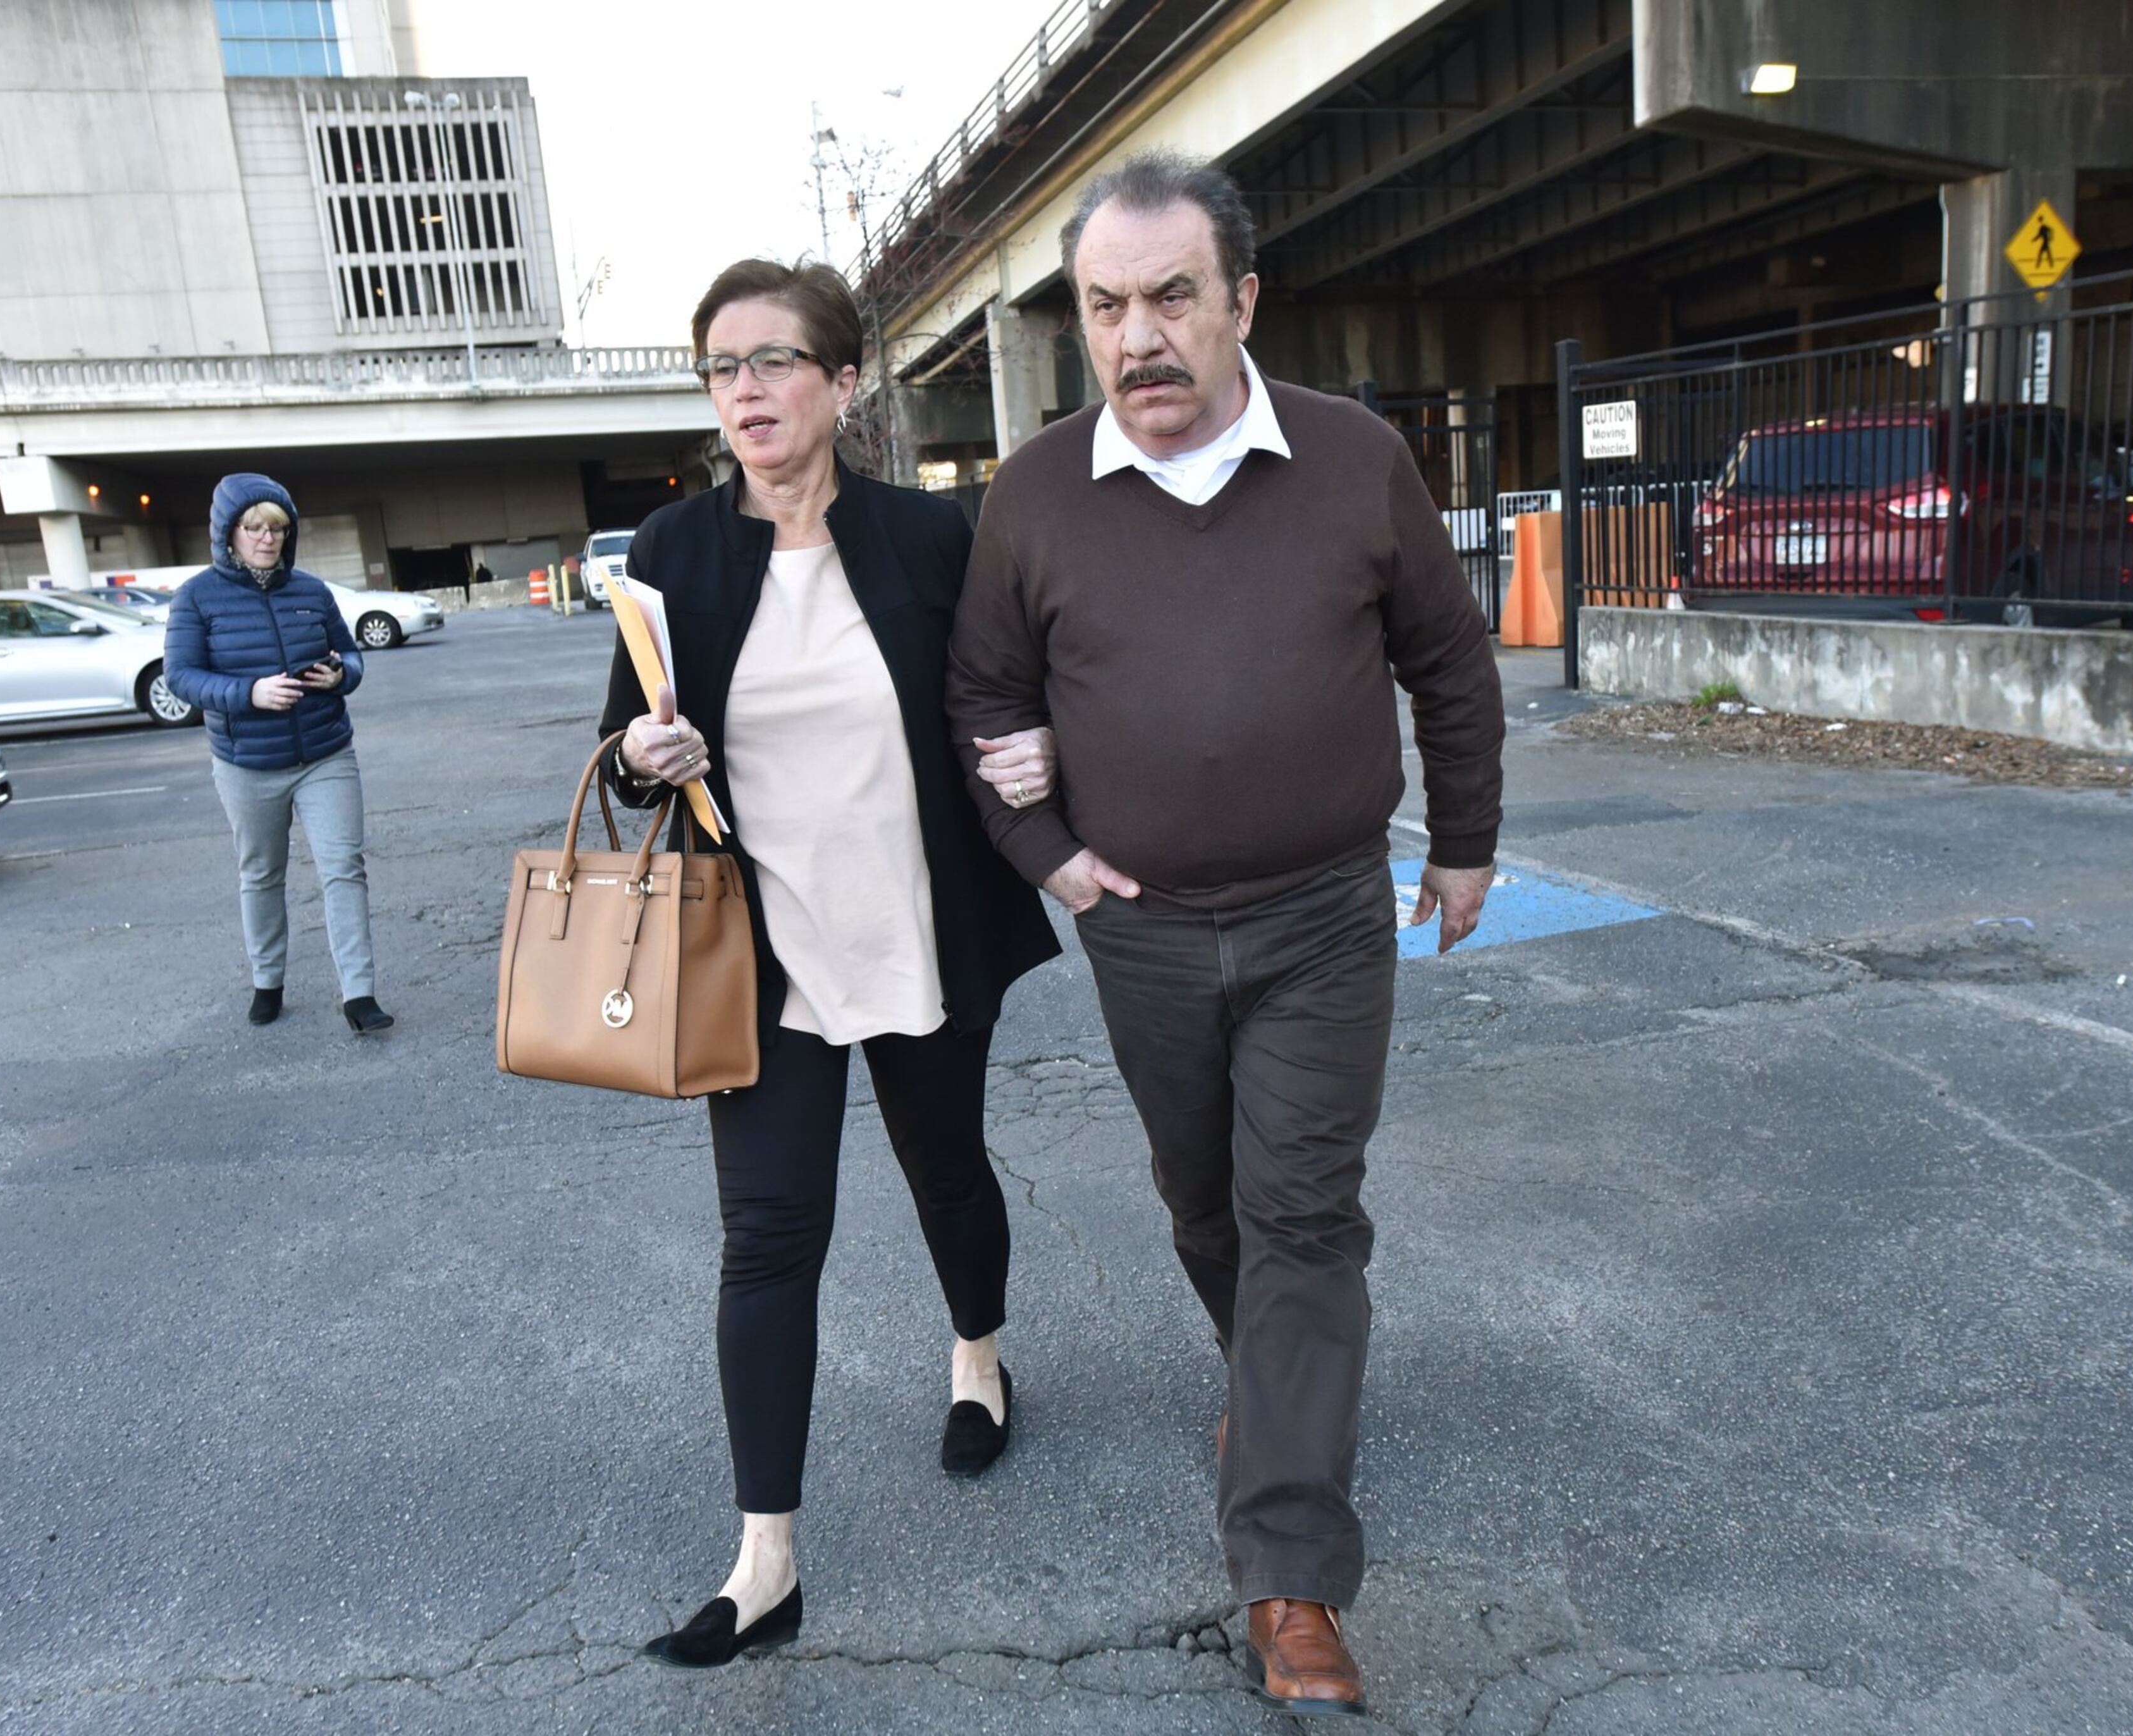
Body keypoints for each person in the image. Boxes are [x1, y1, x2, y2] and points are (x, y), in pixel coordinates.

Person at [946, 152, 1507, 1716]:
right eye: (1106, 306)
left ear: (1241, 300)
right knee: (1208, 1205)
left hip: (1326, 913)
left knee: (1303, 1212)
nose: (1139, 338)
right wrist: (1045, 853)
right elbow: (984, 695)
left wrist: (1463, 840)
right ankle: (1272, 1388)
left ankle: (1287, 1575)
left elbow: (1447, 662)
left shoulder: (1351, 459)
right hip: (1139, 932)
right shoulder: (1035, 492)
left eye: (1172, 297)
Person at [598, 258, 1060, 1669]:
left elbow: (1006, 691)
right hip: (765, 948)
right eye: (723, 366)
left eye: (775, 359)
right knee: (770, 1234)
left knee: (948, 1168)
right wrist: (640, 754)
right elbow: (624, 742)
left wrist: (1049, 756)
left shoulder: (931, 535)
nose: (747, 388)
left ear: (843, 381)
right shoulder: (673, 552)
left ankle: (978, 1353)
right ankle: (765, 1556)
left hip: (918, 921)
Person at [164, 475, 393, 1035]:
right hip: (247, 762)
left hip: (325, 753)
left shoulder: (312, 592)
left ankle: (359, 996)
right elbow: (181, 677)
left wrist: (340, 675)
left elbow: (353, 657)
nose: (268, 539)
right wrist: (249, 694)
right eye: (255, 527)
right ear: (229, 532)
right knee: (262, 873)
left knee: (344, 868)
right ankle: (268, 981)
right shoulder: (196, 597)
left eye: (278, 528)